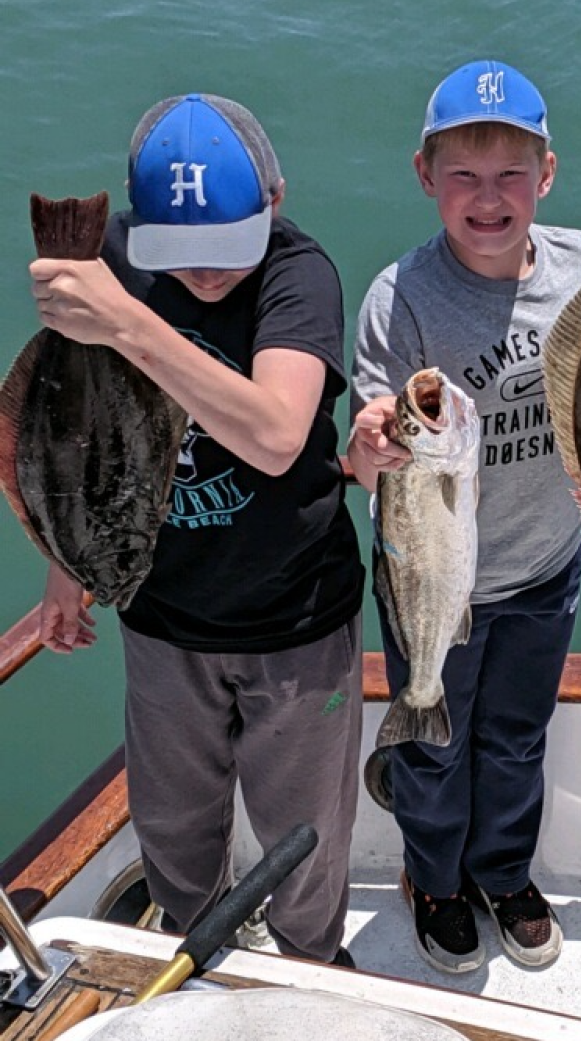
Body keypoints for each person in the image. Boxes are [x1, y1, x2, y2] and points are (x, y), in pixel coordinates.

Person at [32, 93, 365, 968]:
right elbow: (67, 430)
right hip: (160, 615)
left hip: (295, 620)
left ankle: (311, 966)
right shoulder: (114, 265)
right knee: (173, 825)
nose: (208, 275)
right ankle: (190, 952)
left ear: (275, 203)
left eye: (228, 248)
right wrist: (64, 562)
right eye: (184, 256)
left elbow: (274, 434)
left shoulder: (299, 274)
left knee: (304, 838)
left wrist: (129, 323)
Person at [349, 59, 581, 974]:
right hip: (428, 574)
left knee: (515, 735)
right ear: (426, 176)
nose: (487, 199)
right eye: (463, 175)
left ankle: (501, 872)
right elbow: (366, 445)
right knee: (431, 741)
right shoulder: (402, 298)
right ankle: (436, 878)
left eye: (509, 175)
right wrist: (374, 444)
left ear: (547, 175)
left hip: (546, 562)